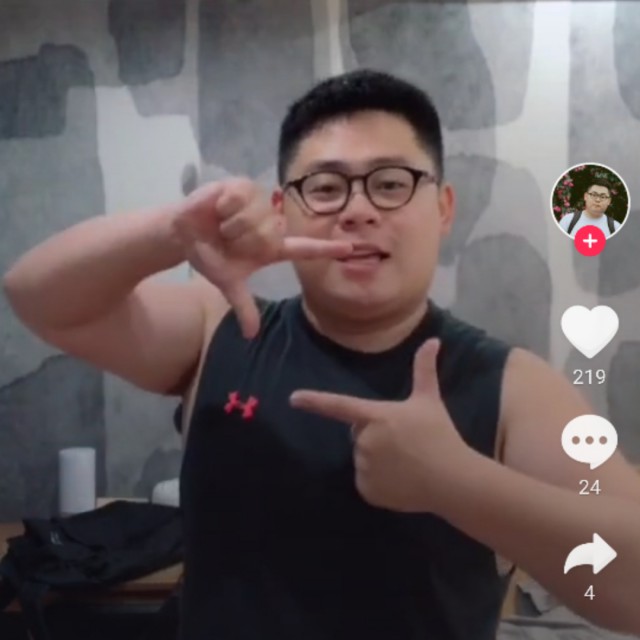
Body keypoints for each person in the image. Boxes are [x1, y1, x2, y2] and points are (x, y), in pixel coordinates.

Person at [4, 70, 640, 640]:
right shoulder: (220, 329)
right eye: (327, 187)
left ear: (443, 209)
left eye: (390, 183)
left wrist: (458, 484)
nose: (358, 210)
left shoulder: (509, 384)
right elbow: (39, 297)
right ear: (283, 212)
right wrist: (171, 231)